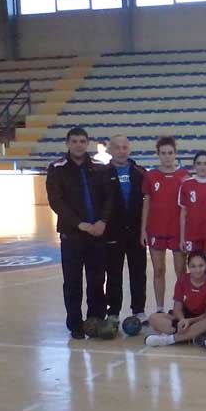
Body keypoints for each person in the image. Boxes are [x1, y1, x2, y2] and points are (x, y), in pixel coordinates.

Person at [46, 126, 114, 339]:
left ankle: (95, 321)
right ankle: (75, 324)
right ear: (68, 143)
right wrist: (79, 224)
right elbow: (56, 201)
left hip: (97, 235)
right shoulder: (57, 168)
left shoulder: (98, 168)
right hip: (72, 235)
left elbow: (108, 197)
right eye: (74, 141)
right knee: (72, 281)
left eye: (82, 141)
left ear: (87, 144)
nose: (78, 145)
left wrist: (103, 221)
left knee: (97, 280)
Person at [141, 136, 188, 315]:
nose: (167, 156)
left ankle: (181, 307)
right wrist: (143, 230)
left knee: (181, 271)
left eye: (170, 153)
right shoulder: (150, 176)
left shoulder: (184, 176)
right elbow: (147, 203)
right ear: (158, 154)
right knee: (158, 270)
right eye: (163, 153)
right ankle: (160, 309)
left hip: (177, 231)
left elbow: (187, 207)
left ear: (175, 154)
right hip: (156, 230)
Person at [104, 134, 147, 328]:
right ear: (110, 150)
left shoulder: (140, 172)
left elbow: (148, 203)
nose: (121, 151)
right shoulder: (101, 174)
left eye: (124, 147)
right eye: (117, 147)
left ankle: (139, 310)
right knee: (113, 274)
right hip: (112, 232)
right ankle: (113, 312)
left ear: (129, 149)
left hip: (136, 232)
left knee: (138, 272)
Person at [144, 252, 206, 348]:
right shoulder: (182, 280)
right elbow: (177, 308)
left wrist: (190, 321)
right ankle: (192, 336)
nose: (197, 270)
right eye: (193, 266)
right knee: (153, 318)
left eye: (201, 266)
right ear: (188, 267)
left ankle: (170, 339)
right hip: (184, 318)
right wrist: (182, 320)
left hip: (201, 319)